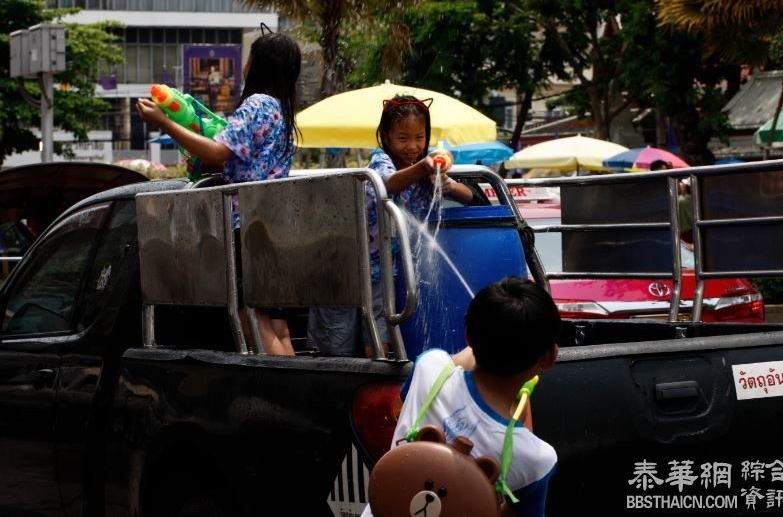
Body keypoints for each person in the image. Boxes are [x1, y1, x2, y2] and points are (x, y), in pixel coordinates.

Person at [135, 31, 302, 356]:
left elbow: (217, 152)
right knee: (277, 325)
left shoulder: (257, 104)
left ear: (257, 65)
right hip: (277, 225)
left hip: (247, 226)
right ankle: (298, 389)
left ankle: (284, 389)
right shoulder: (282, 110)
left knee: (249, 315)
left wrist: (163, 122)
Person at [365, 276, 561, 516]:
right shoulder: (537, 460)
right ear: (550, 356)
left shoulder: (431, 368)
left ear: (468, 336)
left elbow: (455, 362)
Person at [307, 95, 473, 358]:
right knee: (352, 331)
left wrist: (449, 186)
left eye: (420, 137)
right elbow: (388, 183)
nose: (412, 146)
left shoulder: (425, 169)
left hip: (387, 269)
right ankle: (358, 378)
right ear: (385, 135)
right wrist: (422, 167)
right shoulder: (380, 161)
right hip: (354, 266)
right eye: (403, 138)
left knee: (381, 322)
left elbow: (468, 196)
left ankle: (379, 371)